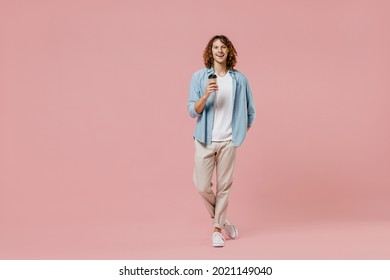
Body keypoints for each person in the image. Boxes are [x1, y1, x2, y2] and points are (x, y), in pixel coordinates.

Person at [187, 35, 256, 247]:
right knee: (201, 185)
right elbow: (192, 110)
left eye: (223, 47)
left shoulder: (240, 79)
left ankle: (217, 230)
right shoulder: (199, 77)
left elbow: (250, 111)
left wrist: (239, 133)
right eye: (215, 47)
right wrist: (206, 95)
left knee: (224, 186)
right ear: (210, 51)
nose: (219, 50)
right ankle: (223, 220)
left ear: (229, 51)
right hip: (204, 140)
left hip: (228, 141)